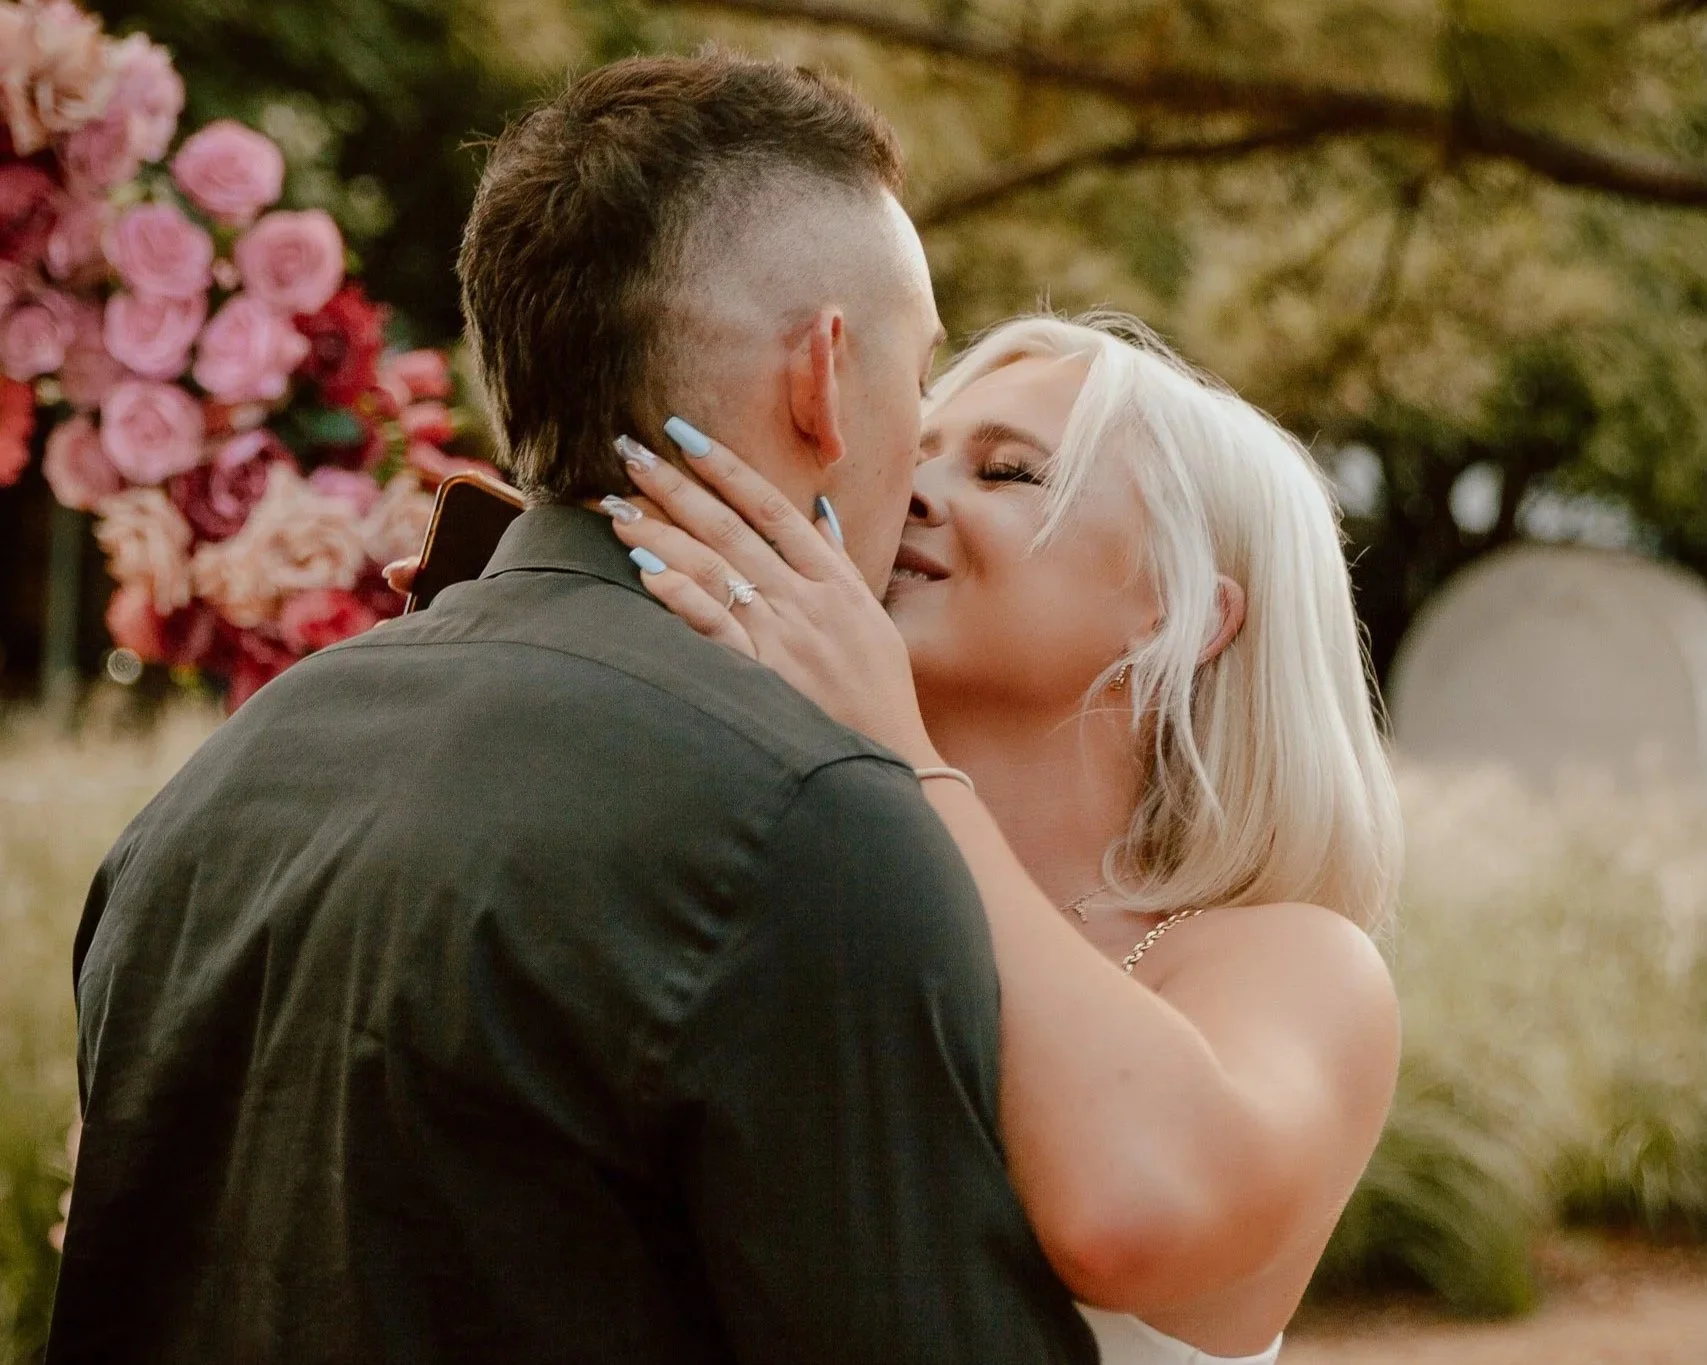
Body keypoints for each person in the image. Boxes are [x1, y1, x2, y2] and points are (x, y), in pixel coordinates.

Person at [48, 55, 1098, 1364]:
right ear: (822, 377)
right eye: (916, 371)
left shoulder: (214, 788)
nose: (923, 444)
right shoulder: (802, 821)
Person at [586, 311, 1405, 1364]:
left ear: (1183, 611)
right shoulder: (786, 896)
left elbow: (1130, 1213)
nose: (911, 492)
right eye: (912, 455)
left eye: (1009, 472)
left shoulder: (1299, 965)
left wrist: (893, 743)